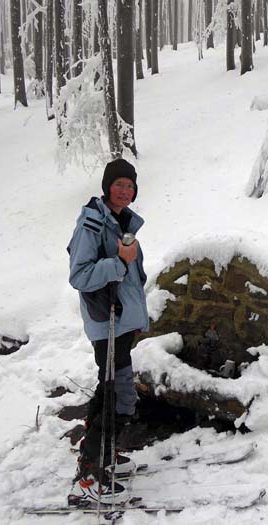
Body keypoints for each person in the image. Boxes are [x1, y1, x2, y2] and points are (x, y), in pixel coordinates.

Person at [66, 158, 149, 506]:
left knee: (110, 388)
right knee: (119, 395)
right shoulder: (93, 222)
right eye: (119, 184)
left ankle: (102, 455)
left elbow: (134, 275)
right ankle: (88, 477)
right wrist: (120, 262)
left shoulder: (120, 221)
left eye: (130, 186)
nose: (125, 191)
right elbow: (80, 275)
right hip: (107, 323)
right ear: (107, 186)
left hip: (122, 322)